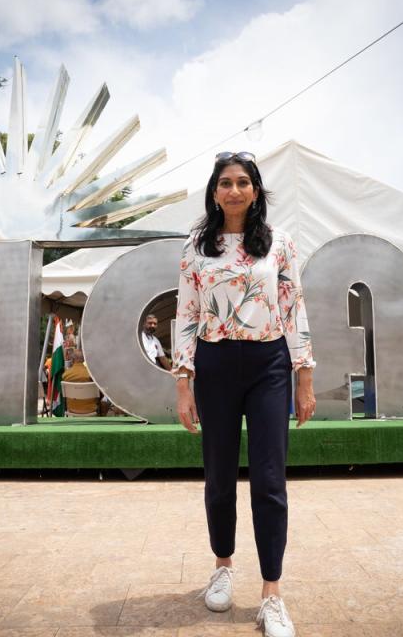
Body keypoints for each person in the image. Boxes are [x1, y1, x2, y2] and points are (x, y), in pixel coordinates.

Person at [172, 152, 315, 637]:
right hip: (215, 365)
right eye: (225, 183)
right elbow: (187, 315)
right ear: (214, 192)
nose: (234, 190)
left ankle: (272, 595)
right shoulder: (196, 247)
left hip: (269, 364)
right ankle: (223, 567)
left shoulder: (280, 244)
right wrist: (183, 384)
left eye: (243, 182)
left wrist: (304, 377)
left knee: (270, 481)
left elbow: (294, 310)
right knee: (219, 475)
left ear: (256, 191)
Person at [61, 349, 103, 415]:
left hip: (71, 409)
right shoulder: (91, 374)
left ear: (73, 360)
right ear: (84, 359)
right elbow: (100, 394)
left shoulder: (65, 375)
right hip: (91, 409)